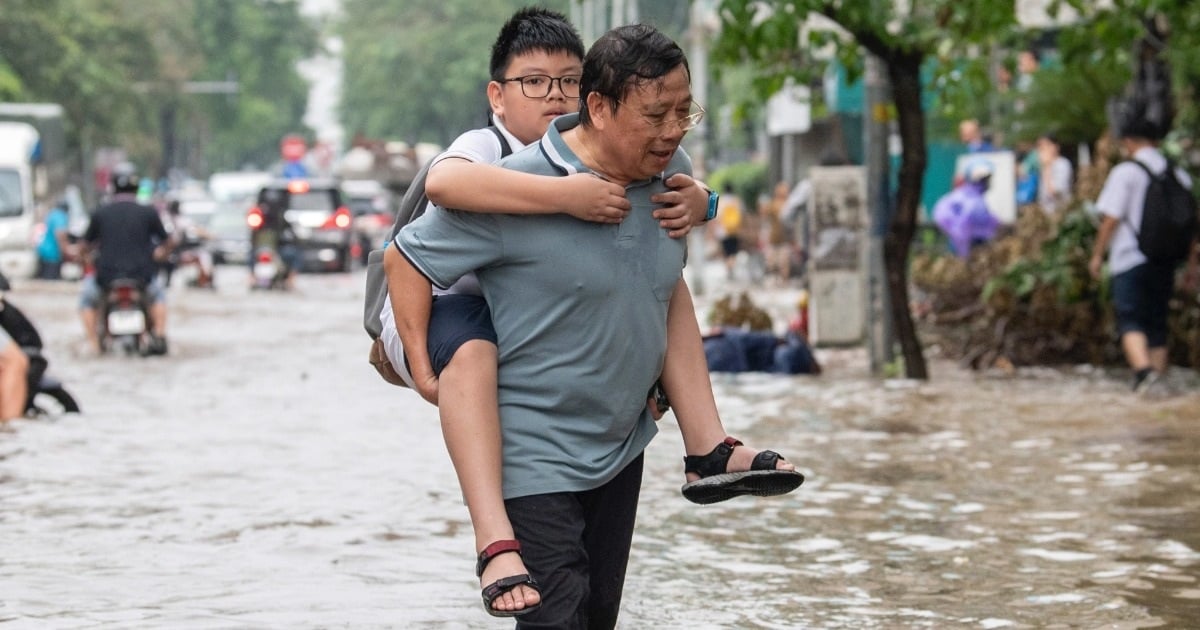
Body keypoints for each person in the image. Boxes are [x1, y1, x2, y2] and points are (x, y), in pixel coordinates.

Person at [380, 9, 800, 620]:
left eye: (684, 113)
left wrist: (706, 202)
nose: (673, 131)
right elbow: (407, 258)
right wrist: (421, 367)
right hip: (534, 456)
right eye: (655, 116)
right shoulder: (507, 185)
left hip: (618, 446)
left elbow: (657, 282)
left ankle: (706, 445)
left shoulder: (670, 177)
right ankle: (493, 542)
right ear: (599, 108)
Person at [1089, 126, 1198, 394]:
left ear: (1128, 141)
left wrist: (1097, 255)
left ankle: (1144, 374)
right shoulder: (1178, 174)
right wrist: (1192, 267)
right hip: (1166, 260)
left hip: (1129, 258)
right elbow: (1192, 224)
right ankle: (1158, 380)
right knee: (1157, 323)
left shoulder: (1125, 172)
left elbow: (1110, 218)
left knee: (1131, 319)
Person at [77, 172, 171, 355]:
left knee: (87, 301)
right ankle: (159, 335)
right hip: (142, 276)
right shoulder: (149, 212)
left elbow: (84, 245)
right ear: (137, 189)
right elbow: (167, 241)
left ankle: (94, 344)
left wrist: (83, 257)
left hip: (106, 277)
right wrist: (161, 254)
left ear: (112, 189)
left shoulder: (100, 212)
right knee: (158, 297)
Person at [933, 160, 1000, 258]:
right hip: (968, 249)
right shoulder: (971, 200)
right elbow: (967, 225)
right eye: (988, 179)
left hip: (963, 246)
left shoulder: (969, 196)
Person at [1036, 133, 1073, 214]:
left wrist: (1047, 167)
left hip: (1060, 213)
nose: (1043, 149)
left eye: (1046, 145)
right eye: (1040, 146)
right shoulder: (1044, 166)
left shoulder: (1062, 164)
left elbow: (1054, 192)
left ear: (1056, 146)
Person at [712, 183, 743, 279]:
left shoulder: (721, 201)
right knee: (733, 251)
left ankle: (729, 270)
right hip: (735, 230)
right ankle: (731, 268)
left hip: (723, 232)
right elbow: (741, 215)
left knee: (726, 252)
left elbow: (717, 216)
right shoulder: (736, 200)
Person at [36, 200, 70, 280]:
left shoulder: (53, 214)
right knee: (52, 279)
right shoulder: (60, 216)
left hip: (45, 250)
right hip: (52, 253)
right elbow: (60, 234)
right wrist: (65, 250)